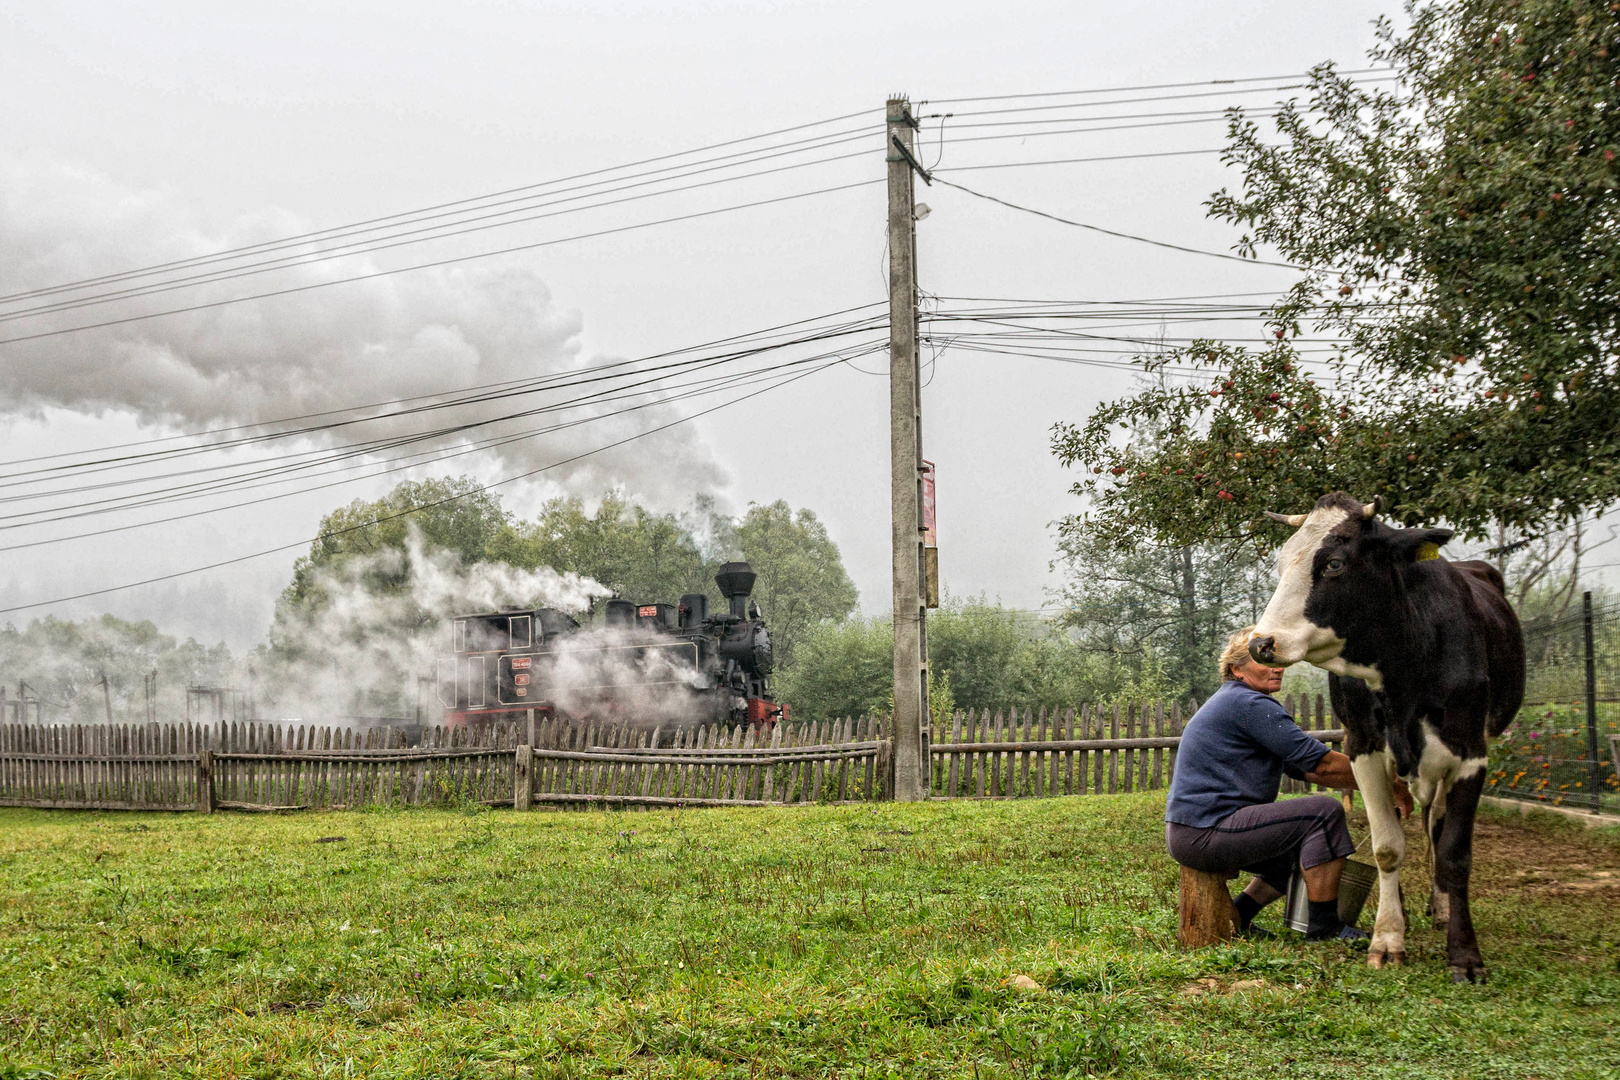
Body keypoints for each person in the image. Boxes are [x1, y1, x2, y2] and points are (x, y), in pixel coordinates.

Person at [1165, 627, 1413, 941]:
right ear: (1236, 669)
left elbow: (1306, 768)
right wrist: (1389, 782)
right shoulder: (1251, 705)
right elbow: (1321, 764)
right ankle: (1324, 928)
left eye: (1277, 660)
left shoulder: (1238, 701)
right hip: (1206, 830)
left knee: (1304, 845)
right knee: (1323, 813)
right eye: (1264, 661)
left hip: (1193, 830)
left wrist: (1381, 785)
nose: (1277, 667)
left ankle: (1239, 915)